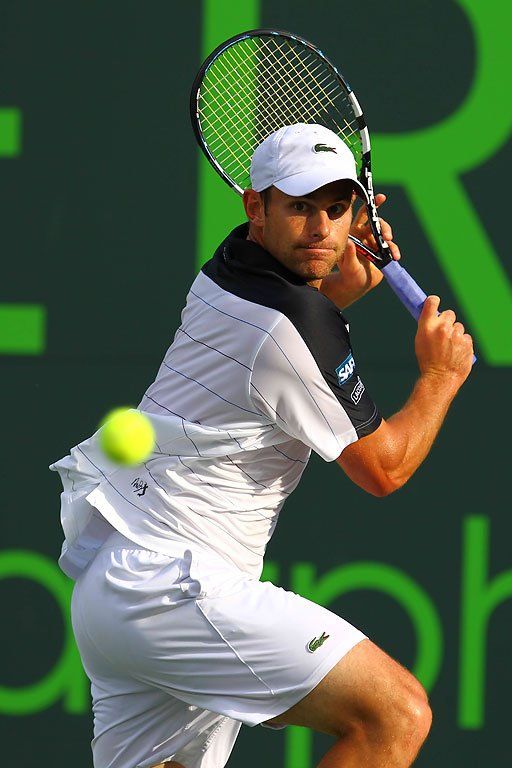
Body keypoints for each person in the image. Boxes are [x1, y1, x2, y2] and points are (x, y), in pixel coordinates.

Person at [49, 123, 473, 768]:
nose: (320, 228)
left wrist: (336, 281)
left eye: (337, 209)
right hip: (172, 582)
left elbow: (301, 311)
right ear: (257, 208)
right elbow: (384, 469)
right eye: (299, 207)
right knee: (394, 714)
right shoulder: (288, 325)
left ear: (358, 211)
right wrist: (440, 377)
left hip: (123, 584)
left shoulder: (233, 266)